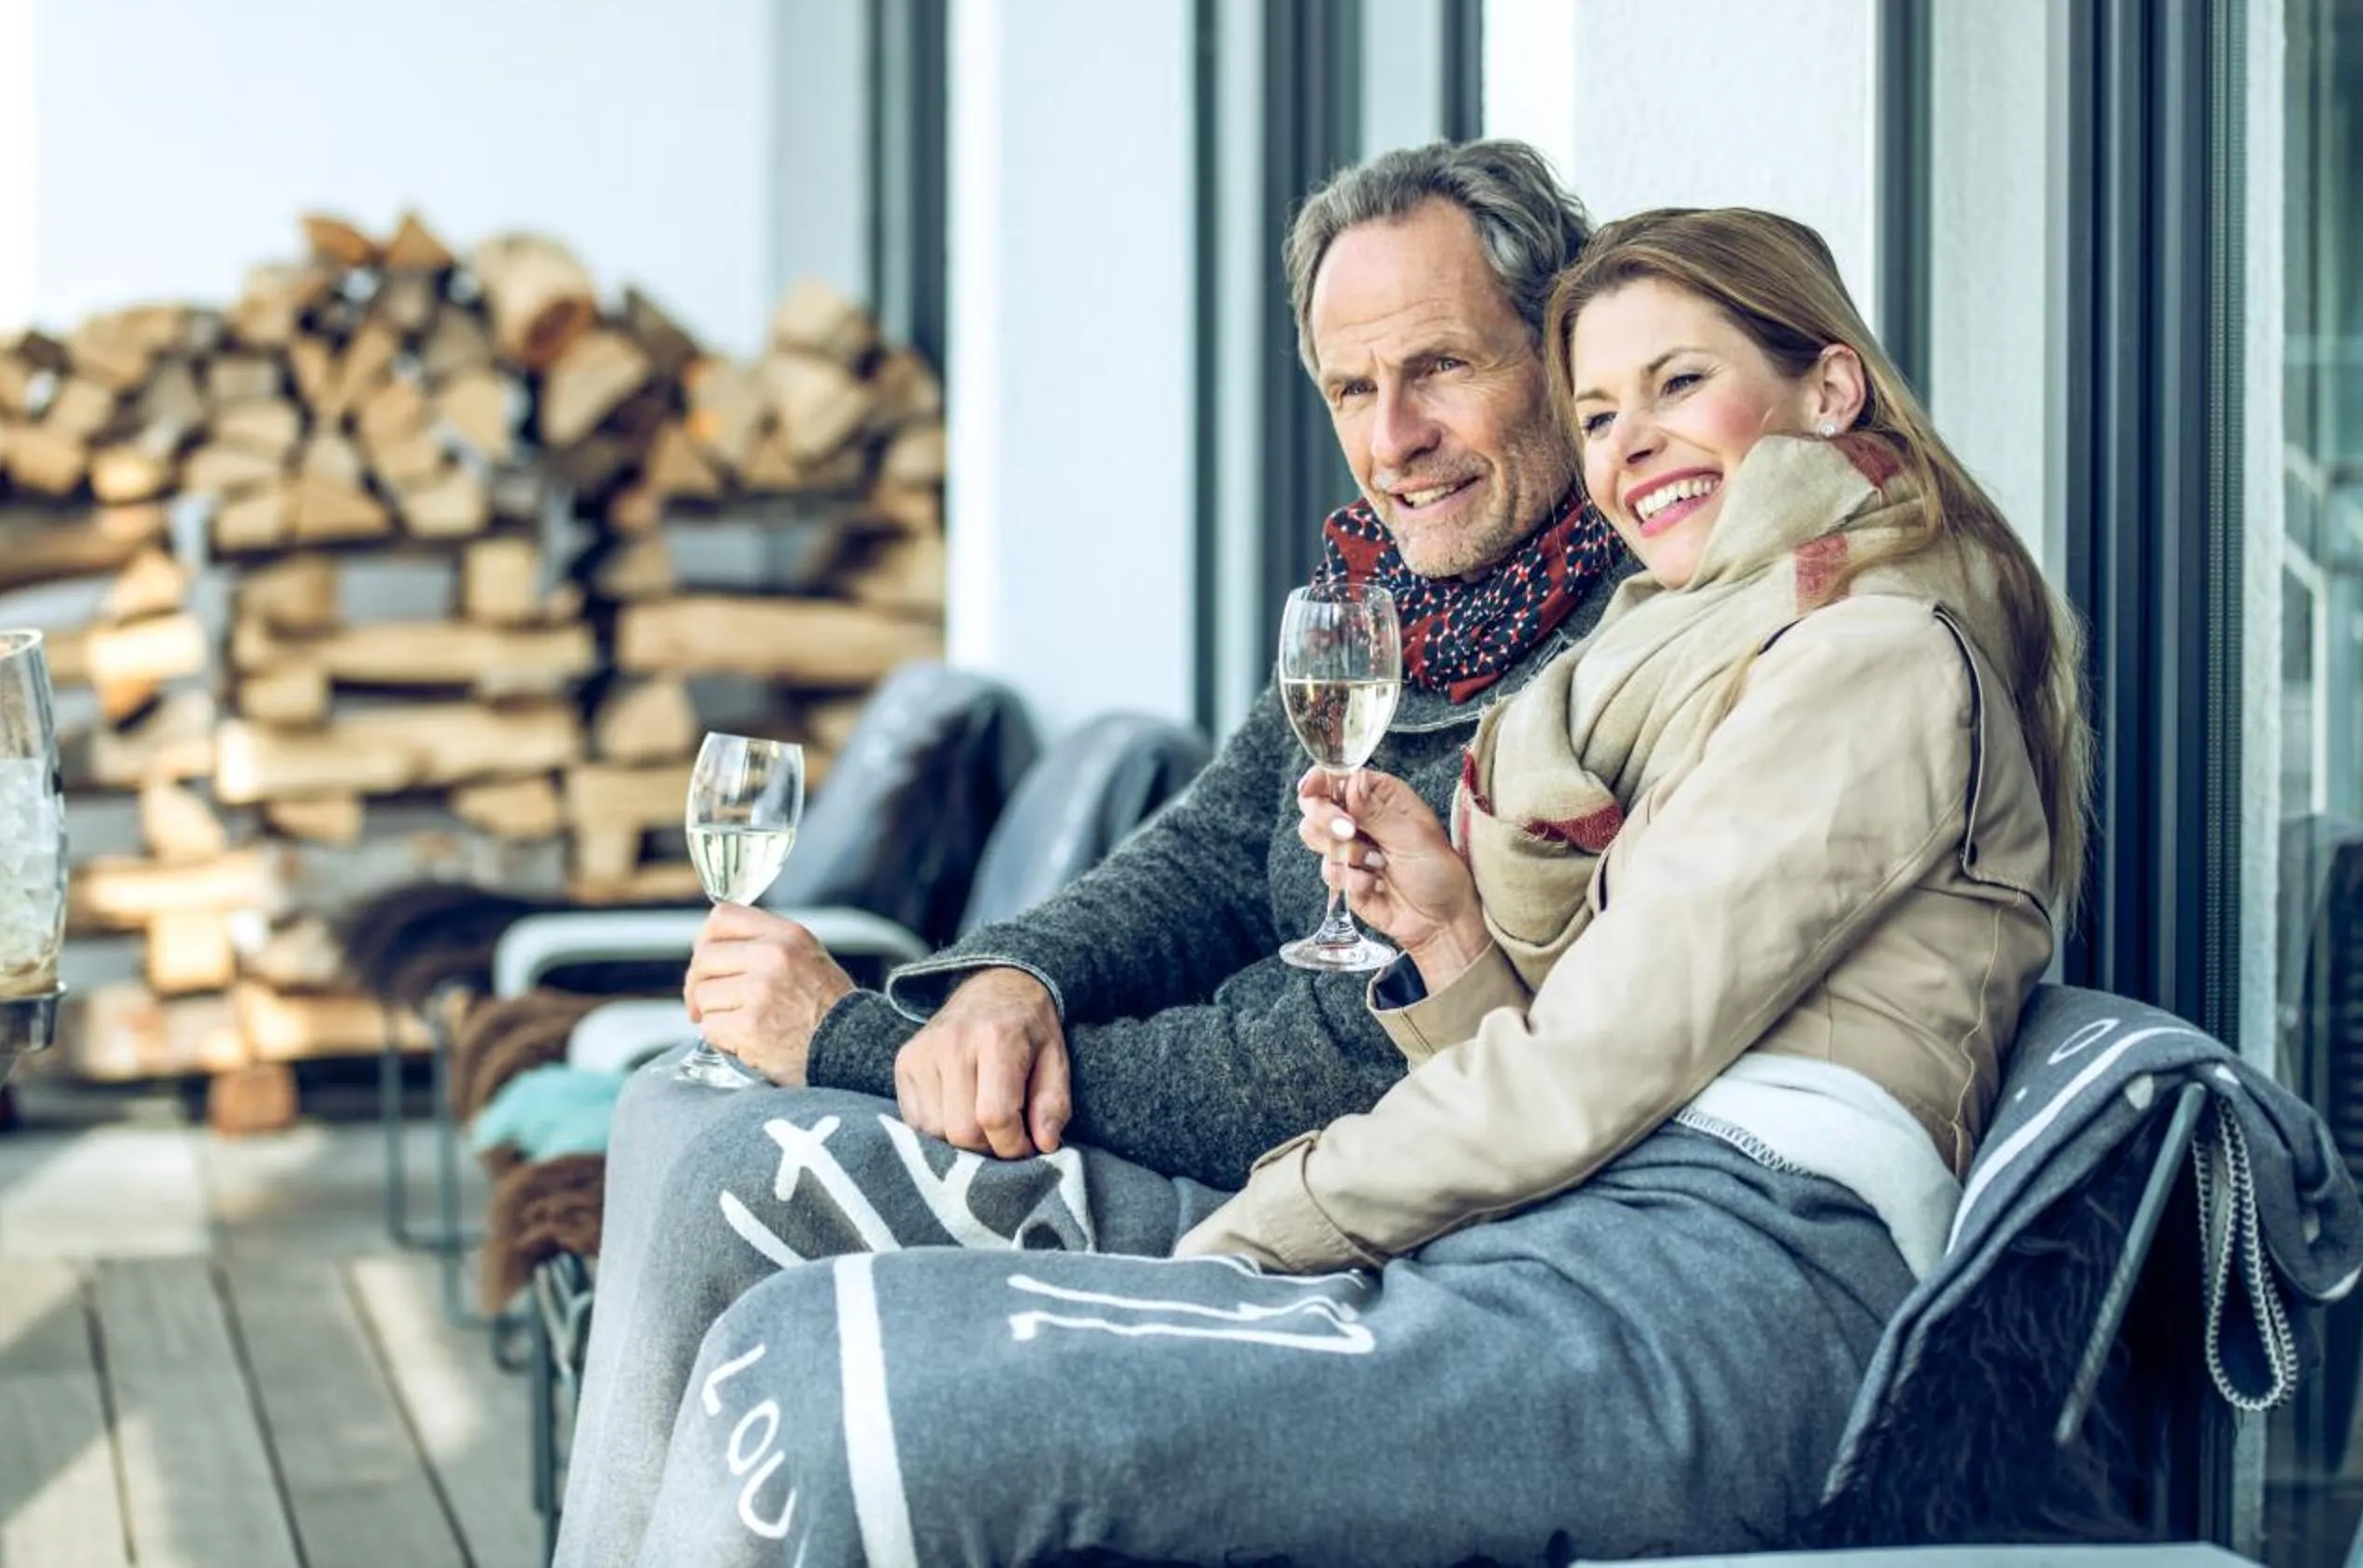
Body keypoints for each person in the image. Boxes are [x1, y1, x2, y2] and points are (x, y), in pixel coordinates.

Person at [619, 205, 2090, 1567]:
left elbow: (1581, 1080)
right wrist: (1438, 944)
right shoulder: (1696, 648)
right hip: (1578, 1228)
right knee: (783, 1308)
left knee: (823, 1366)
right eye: (1602, 411)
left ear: (1830, 391)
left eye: (1678, 384)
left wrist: (1235, 1238)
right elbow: (1545, 1044)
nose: (1629, 443)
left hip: (1716, 1291)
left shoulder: (1862, 660)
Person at [554, 138, 1624, 1567]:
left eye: (1441, 368)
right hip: (1203, 1132)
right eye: (1351, 390)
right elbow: (1196, 862)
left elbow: (1336, 1063)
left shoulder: (1607, 658)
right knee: (673, 1101)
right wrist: (1012, 983)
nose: (1393, 440)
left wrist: (867, 1043)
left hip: (1325, 1206)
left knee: (736, 1173)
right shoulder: (1376, 607)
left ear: (1560, 354)